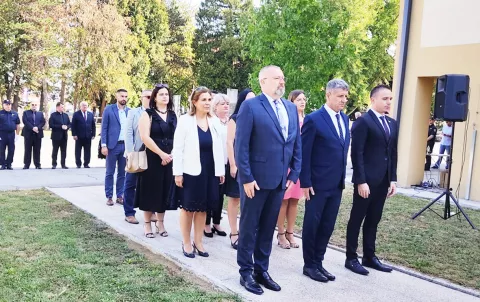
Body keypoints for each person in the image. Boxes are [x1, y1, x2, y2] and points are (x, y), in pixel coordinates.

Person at [235, 65, 301, 295]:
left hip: (279, 181)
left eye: (282, 78)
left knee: (267, 229)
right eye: (276, 78)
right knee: (249, 227)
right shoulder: (251, 106)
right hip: (255, 181)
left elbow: (295, 144)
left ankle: (261, 271)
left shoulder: (291, 109)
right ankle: (245, 272)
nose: (281, 82)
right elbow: (241, 146)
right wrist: (246, 178)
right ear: (262, 81)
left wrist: (294, 173)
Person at [300, 80, 350, 283]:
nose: (344, 100)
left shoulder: (345, 119)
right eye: (340, 96)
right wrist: (305, 181)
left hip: (336, 184)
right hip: (317, 184)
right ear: (328, 95)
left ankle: (319, 261)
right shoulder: (314, 119)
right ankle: (309, 265)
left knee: (327, 225)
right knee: (313, 224)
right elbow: (305, 152)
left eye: (346, 96)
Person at [345, 84, 398, 276]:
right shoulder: (363, 122)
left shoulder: (392, 123)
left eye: (390, 99)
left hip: (383, 181)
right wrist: (360, 181)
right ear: (373, 99)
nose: (388, 102)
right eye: (385, 99)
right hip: (366, 182)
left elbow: (392, 152)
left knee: (374, 219)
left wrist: (393, 179)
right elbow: (357, 154)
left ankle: (369, 256)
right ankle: (351, 257)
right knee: (357, 218)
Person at [172, 87, 225, 258]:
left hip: (210, 171)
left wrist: (220, 170)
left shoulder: (215, 121)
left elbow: (220, 148)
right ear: (194, 102)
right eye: (204, 99)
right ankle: (186, 242)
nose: (208, 103)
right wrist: (177, 173)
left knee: (203, 208)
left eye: (210, 99)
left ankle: (199, 241)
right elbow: (178, 148)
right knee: (188, 208)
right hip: (190, 171)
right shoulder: (185, 121)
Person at [135, 84, 177, 238]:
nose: (165, 97)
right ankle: (147, 224)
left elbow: (177, 136)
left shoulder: (173, 115)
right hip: (153, 157)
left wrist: (170, 155)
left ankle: (160, 222)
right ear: (155, 97)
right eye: (161, 94)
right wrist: (161, 154)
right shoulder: (148, 114)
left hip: (169, 157)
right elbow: (145, 137)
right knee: (150, 190)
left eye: (167, 94)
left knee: (164, 190)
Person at [225, 88, 255, 249]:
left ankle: (247, 232)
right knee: (235, 198)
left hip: (252, 165)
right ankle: (234, 232)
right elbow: (230, 142)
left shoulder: (256, 117)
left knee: (249, 200)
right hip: (237, 164)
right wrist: (233, 164)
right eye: (248, 99)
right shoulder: (235, 118)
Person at [276, 90, 306, 249]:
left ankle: (290, 232)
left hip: (300, 166)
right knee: (284, 201)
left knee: (294, 201)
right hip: (286, 164)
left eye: (304, 99)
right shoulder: (287, 119)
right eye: (298, 99)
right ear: (291, 102)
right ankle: (280, 233)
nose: (302, 102)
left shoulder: (307, 120)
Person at [123, 90, 152, 224]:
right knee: (130, 183)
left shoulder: (157, 113)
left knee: (149, 185)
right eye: (147, 96)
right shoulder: (134, 113)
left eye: (153, 97)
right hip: (136, 153)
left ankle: (150, 212)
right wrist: (130, 152)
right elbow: (128, 133)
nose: (150, 99)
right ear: (141, 98)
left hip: (152, 154)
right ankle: (129, 213)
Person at [204, 93, 230, 238]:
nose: (226, 106)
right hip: (213, 163)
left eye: (227, 103)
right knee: (211, 193)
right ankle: (206, 223)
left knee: (220, 195)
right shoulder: (212, 121)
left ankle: (217, 221)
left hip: (227, 162)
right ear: (215, 106)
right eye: (222, 103)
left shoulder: (231, 121)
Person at [101, 89, 130, 206]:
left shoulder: (129, 111)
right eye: (122, 96)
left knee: (122, 173)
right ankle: (109, 196)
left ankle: (120, 195)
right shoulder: (109, 109)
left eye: (126, 96)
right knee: (110, 172)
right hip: (112, 146)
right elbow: (104, 128)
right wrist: (104, 145)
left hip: (125, 146)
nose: (124, 98)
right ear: (117, 97)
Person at [71, 101, 96, 168]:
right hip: (79, 136)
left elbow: (93, 125)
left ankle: (86, 163)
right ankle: (78, 164)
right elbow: (73, 125)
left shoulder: (90, 114)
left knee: (87, 150)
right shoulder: (76, 114)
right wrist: (74, 134)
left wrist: (93, 134)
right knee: (78, 151)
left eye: (86, 105)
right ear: (80, 106)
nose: (85, 106)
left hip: (88, 136)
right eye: (83, 105)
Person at [22, 100, 45, 169]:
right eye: (32, 105)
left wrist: (38, 127)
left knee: (37, 150)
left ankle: (37, 164)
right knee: (27, 149)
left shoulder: (40, 113)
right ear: (30, 105)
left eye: (35, 105)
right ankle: (26, 164)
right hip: (28, 134)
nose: (34, 106)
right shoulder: (26, 113)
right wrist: (32, 128)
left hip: (38, 134)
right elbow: (25, 121)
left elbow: (43, 122)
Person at [49, 102, 71, 169]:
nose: (63, 108)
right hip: (56, 136)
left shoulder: (65, 115)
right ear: (57, 107)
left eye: (63, 107)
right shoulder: (53, 115)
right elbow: (51, 125)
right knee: (55, 150)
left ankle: (63, 164)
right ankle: (54, 164)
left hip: (64, 136)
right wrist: (60, 126)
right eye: (61, 107)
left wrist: (67, 127)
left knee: (64, 151)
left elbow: (69, 124)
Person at [0, 100, 20, 170]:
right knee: (1, 150)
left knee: (11, 149)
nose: (8, 106)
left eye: (9, 104)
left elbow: (17, 124)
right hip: (2, 134)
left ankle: (9, 164)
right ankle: (2, 164)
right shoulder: (0, 113)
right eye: (6, 104)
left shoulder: (15, 114)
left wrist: (17, 135)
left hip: (11, 134)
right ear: (3, 105)